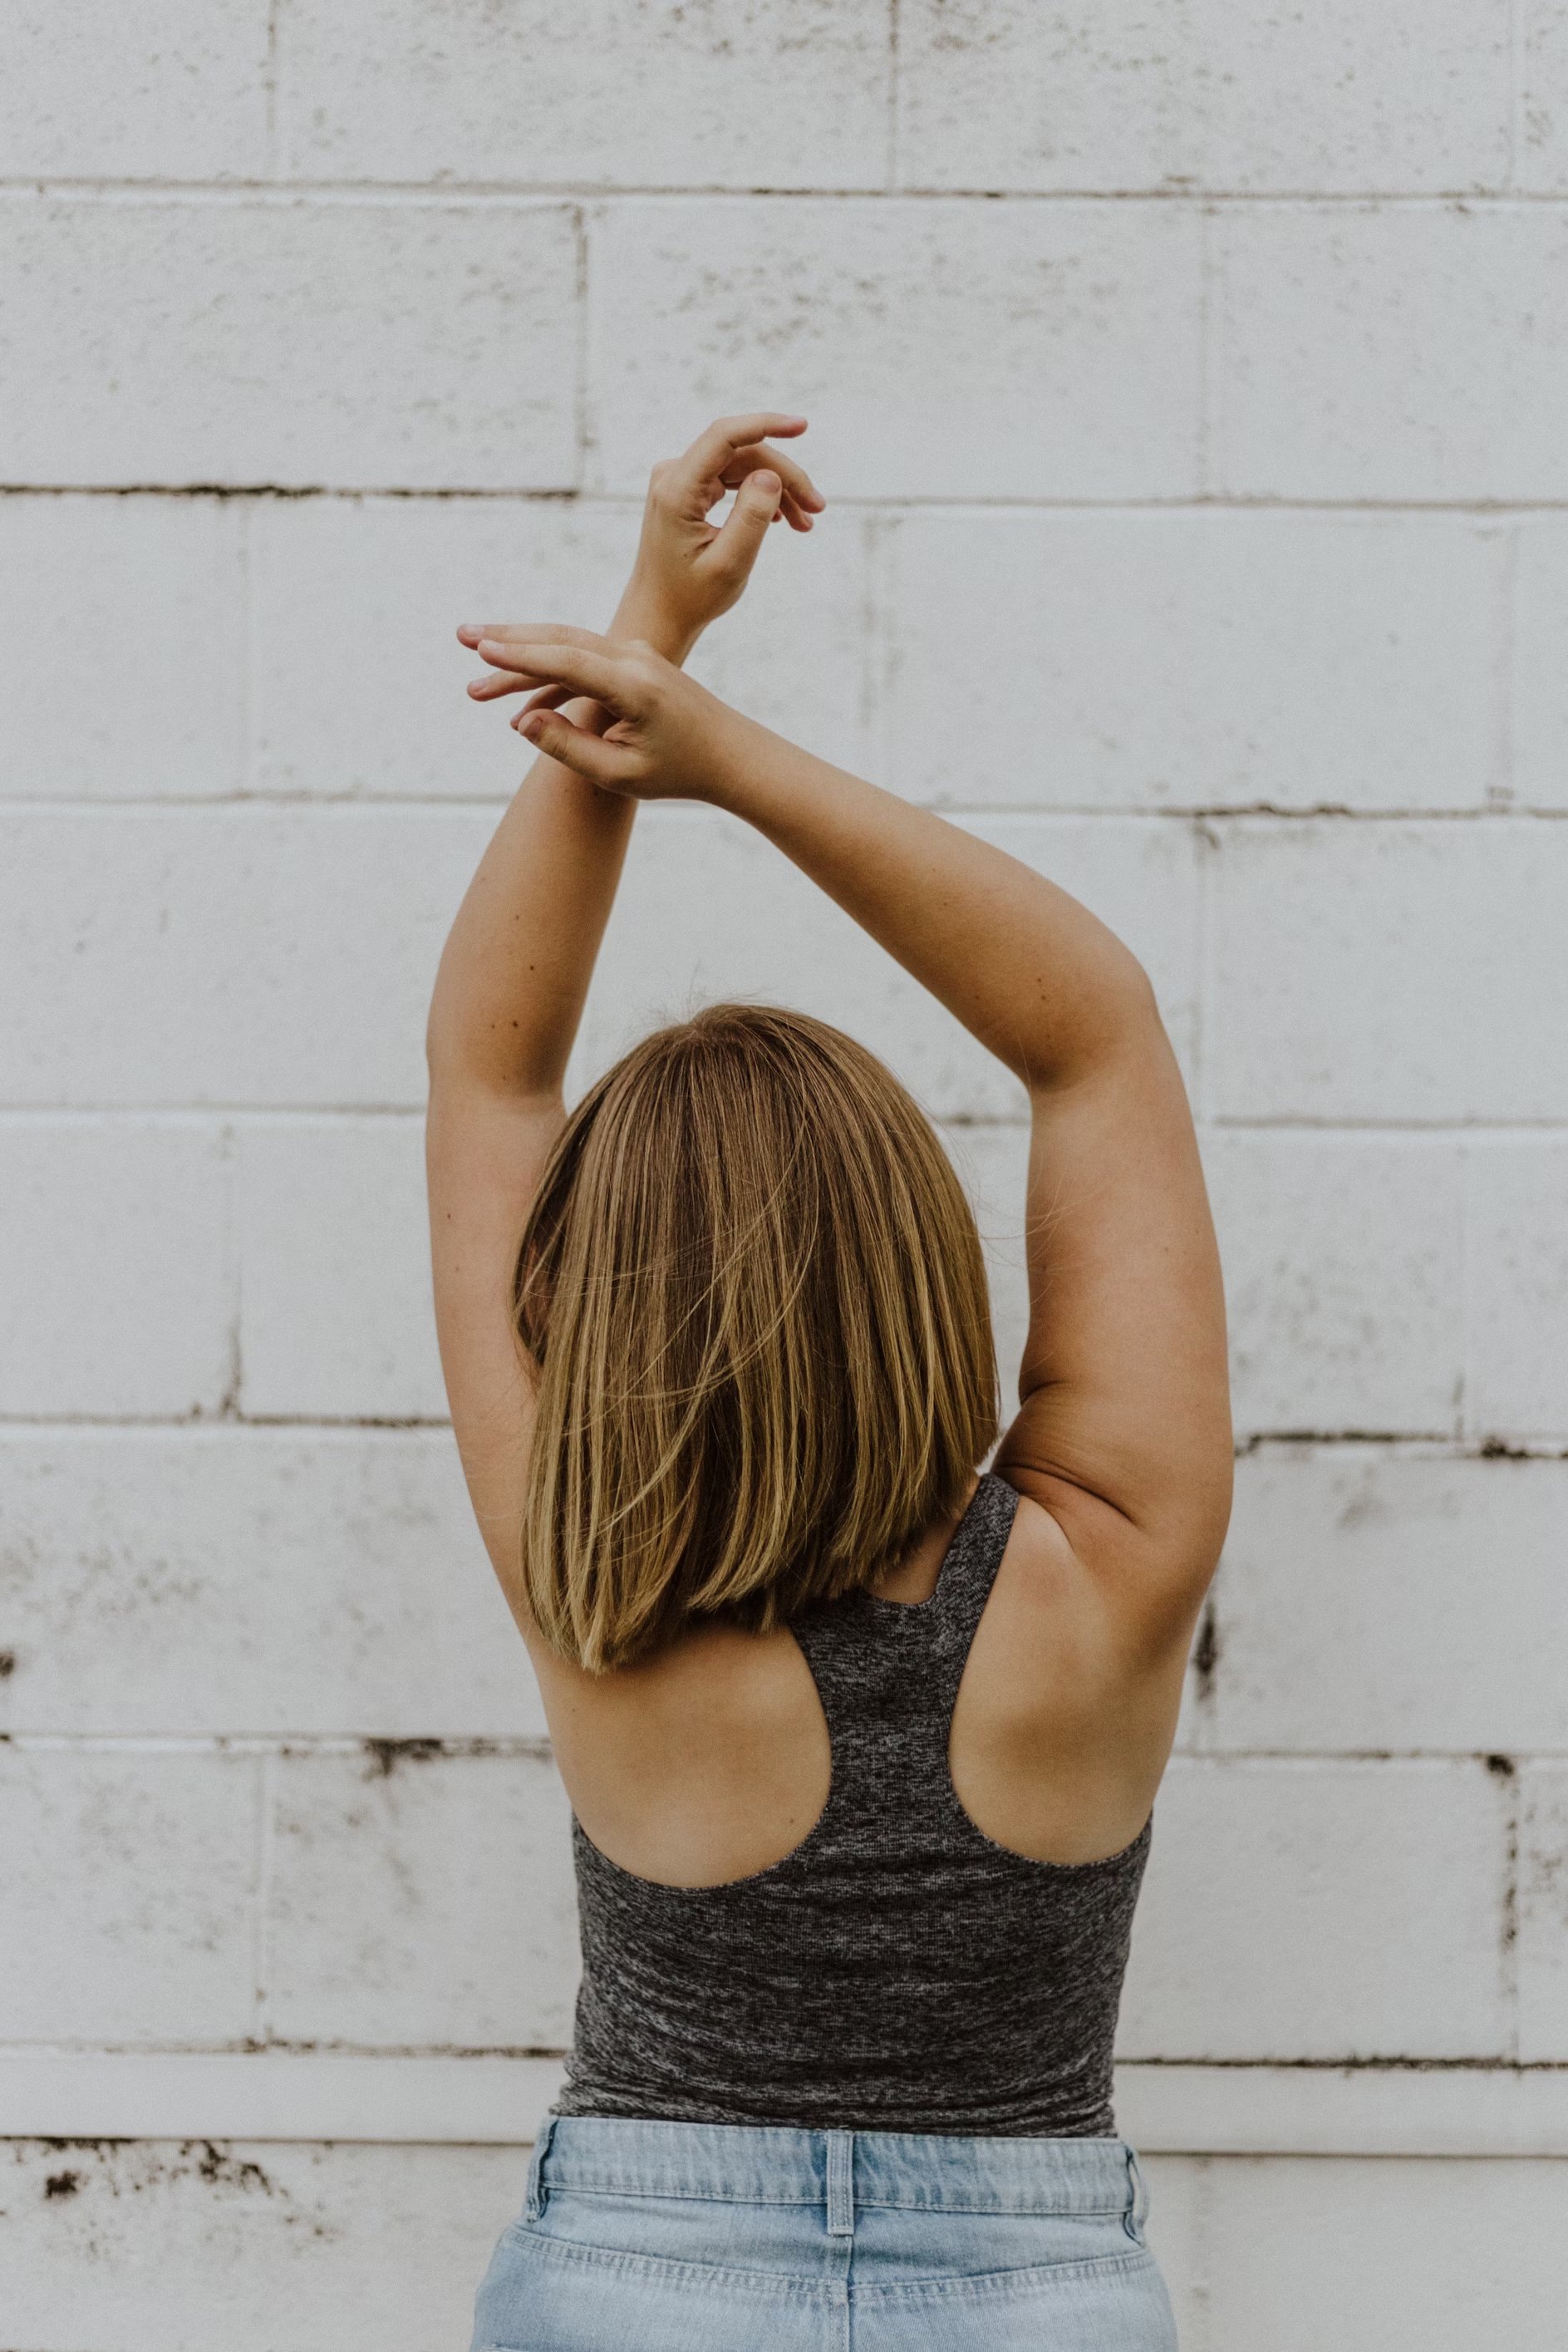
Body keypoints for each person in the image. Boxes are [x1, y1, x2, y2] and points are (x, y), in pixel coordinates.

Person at [425, 414, 1232, 2351]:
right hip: (1034, 2292)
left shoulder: (587, 1575)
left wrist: (648, 647)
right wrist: (723, 760)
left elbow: (492, 1076)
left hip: (635, 2281)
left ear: (591, 1302)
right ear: (914, 1265)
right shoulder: (1102, 1558)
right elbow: (1093, 1034)